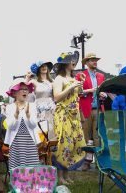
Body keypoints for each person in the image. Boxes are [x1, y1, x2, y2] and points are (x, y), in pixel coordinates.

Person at [52, 51, 86, 184]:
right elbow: (57, 97)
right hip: (63, 115)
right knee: (63, 144)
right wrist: (71, 86)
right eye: (72, 60)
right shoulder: (59, 79)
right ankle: (60, 176)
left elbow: (79, 94)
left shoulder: (73, 79)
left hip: (74, 115)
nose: (74, 62)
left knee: (73, 144)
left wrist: (80, 84)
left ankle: (66, 175)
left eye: (74, 60)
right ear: (65, 63)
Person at [75, 53, 106, 170]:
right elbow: (77, 92)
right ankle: (87, 161)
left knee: (98, 136)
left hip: (98, 109)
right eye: (92, 60)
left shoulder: (101, 76)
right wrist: (89, 91)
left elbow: (105, 91)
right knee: (87, 136)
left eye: (95, 60)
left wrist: (104, 94)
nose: (95, 62)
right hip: (85, 109)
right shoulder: (80, 75)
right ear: (87, 63)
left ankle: (99, 161)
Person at [4, 78, 40, 170]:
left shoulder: (32, 106)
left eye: (26, 89)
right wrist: (16, 116)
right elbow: (11, 127)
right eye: (21, 89)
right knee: (17, 166)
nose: (25, 91)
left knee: (31, 165)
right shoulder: (10, 107)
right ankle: (18, 184)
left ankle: (31, 183)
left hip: (30, 141)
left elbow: (33, 125)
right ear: (14, 93)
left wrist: (28, 115)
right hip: (16, 142)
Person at [26, 61, 56, 140]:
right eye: (41, 66)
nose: (44, 67)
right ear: (38, 69)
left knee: (51, 131)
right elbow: (24, 92)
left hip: (51, 109)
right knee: (40, 132)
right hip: (38, 109)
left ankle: (50, 150)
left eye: (45, 65)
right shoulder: (34, 82)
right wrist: (27, 78)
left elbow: (55, 97)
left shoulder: (52, 81)